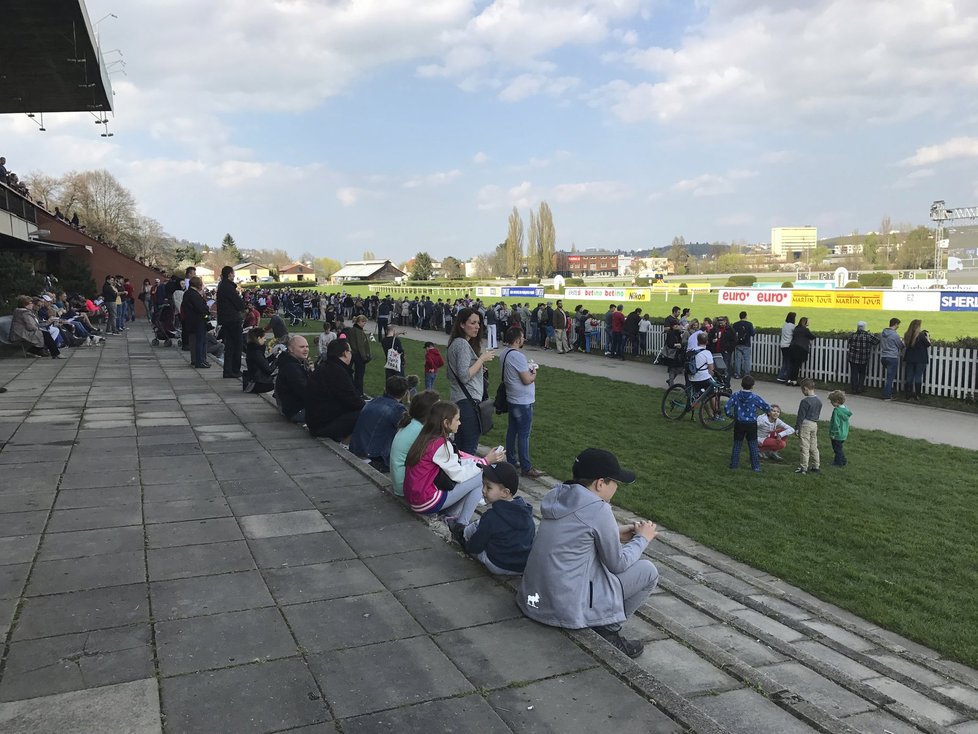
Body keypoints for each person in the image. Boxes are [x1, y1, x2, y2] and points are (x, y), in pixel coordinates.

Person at [518, 448, 659, 659]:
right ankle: (609, 631)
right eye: (615, 482)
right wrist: (642, 538)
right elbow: (617, 564)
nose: (616, 488)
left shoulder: (559, 495)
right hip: (562, 608)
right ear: (600, 483)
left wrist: (615, 533)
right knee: (648, 571)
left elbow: (577, 536)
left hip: (534, 599)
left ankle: (602, 622)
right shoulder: (599, 509)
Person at [403, 401, 505, 523]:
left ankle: (450, 514)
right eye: (457, 419)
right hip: (425, 501)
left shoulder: (427, 437)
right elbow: (459, 476)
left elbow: (454, 466)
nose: (460, 423)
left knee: (476, 472)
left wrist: (481, 461)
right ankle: (462, 523)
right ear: (446, 423)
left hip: (414, 497)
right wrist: (485, 461)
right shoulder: (441, 444)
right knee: (481, 475)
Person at [452, 462, 535, 576]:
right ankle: (463, 530)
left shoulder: (492, 517)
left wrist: (467, 546)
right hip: (520, 567)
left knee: (478, 526)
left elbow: (476, 546)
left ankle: (462, 533)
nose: (483, 490)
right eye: (483, 485)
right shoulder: (526, 514)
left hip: (497, 564)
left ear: (505, 493)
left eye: (488, 487)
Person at [446, 308, 495, 454]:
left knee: (460, 447)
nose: (477, 326)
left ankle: (456, 475)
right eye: (472, 323)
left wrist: (479, 368)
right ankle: (465, 476)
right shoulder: (461, 344)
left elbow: (452, 375)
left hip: (460, 400)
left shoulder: (456, 343)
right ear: (462, 324)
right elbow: (464, 376)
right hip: (467, 402)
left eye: (478, 323)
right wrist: (481, 360)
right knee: (468, 449)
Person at [499, 327, 544, 478]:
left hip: (512, 398)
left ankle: (511, 460)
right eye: (522, 337)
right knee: (524, 434)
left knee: (512, 430)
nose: (523, 340)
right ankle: (526, 467)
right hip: (522, 400)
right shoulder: (517, 356)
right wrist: (534, 374)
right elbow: (526, 380)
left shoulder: (504, 353)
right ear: (518, 339)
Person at [306, 339, 365, 441]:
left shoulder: (325, 367)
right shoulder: (338, 372)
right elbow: (353, 400)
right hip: (323, 426)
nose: (351, 354)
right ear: (345, 353)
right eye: (350, 352)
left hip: (316, 421)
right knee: (366, 413)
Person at [349, 376, 409, 470]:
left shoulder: (373, 401)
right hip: (375, 456)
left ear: (385, 389)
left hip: (356, 448)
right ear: (405, 393)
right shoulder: (398, 409)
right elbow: (408, 433)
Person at [389, 390, 441, 497]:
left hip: (400, 483)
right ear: (430, 413)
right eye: (439, 409)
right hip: (407, 486)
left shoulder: (412, 424)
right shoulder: (420, 431)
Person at [724, 375, 770, 472]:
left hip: (739, 423)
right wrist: (767, 413)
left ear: (741, 384)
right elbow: (765, 407)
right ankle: (756, 467)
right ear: (752, 386)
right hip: (751, 424)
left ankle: (734, 465)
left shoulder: (735, 396)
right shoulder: (754, 397)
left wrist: (731, 415)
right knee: (753, 445)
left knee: (737, 444)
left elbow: (726, 407)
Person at [217, 265, 245, 379]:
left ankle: (228, 370)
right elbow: (239, 304)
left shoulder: (222, 286)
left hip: (226, 319)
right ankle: (235, 369)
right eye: (233, 274)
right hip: (233, 319)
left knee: (229, 346)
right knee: (236, 345)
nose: (234, 276)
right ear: (229, 274)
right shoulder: (228, 287)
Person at [275, 335, 310, 423]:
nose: (306, 349)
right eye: (302, 347)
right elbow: (306, 392)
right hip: (297, 411)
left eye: (307, 346)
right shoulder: (292, 368)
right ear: (290, 349)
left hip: (293, 408)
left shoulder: (291, 363)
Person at [181, 276, 211, 369]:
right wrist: (207, 310)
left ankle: (200, 360)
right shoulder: (194, 295)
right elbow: (201, 307)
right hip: (198, 321)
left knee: (198, 341)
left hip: (191, 320)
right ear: (198, 284)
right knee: (200, 341)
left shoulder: (188, 293)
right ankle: (199, 361)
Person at [794, 378, 822, 475]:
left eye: (802, 390)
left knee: (804, 446)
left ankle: (803, 467)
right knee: (814, 446)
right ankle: (816, 465)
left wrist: (797, 427)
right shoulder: (819, 401)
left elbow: (801, 415)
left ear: (805, 388)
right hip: (814, 424)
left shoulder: (805, 401)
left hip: (806, 424)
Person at [846, 321, 880, 395]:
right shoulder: (868, 336)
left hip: (853, 358)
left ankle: (854, 388)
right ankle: (860, 388)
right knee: (862, 373)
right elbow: (877, 341)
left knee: (854, 373)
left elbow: (849, 342)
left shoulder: (853, 335)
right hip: (863, 358)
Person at [903, 319, 930, 400]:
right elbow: (928, 344)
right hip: (920, 359)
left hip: (910, 358)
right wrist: (928, 337)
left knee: (909, 376)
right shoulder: (921, 335)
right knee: (918, 376)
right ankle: (918, 395)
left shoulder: (907, 334)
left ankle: (908, 394)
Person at [347, 314, 372, 397]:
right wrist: (364, 357)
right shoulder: (358, 331)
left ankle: (354, 390)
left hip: (353, 354)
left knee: (355, 375)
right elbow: (360, 345)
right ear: (359, 322)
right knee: (359, 375)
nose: (364, 324)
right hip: (359, 355)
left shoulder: (352, 329)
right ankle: (359, 393)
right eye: (364, 322)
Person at [879, 317, 903, 401]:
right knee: (890, 377)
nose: (898, 327)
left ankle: (889, 391)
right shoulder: (895, 335)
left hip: (884, 356)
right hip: (892, 357)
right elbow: (900, 346)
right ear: (895, 324)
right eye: (898, 325)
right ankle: (887, 395)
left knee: (888, 376)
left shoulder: (882, 333)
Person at [244, 328, 275, 394]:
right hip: (259, 384)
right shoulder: (256, 352)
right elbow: (268, 370)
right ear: (259, 338)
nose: (265, 340)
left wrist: (274, 356)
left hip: (256, 381)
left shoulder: (252, 349)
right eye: (264, 338)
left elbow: (263, 362)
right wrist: (278, 360)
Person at [786, 316, 815, 386]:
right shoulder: (805, 330)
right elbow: (812, 336)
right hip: (800, 348)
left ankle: (789, 380)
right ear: (805, 322)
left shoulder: (796, 328)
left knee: (792, 364)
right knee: (796, 365)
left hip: (792, 347)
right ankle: (794, 381)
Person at [828, 390, 852, 467]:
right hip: (844, 433)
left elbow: (835, 423)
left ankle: (839, 462)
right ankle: (842, 460)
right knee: (839, 448)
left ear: (837, 401)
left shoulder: (836, 411)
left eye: (832, 401)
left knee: (837, 449)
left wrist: (833, 434)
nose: (830, 403)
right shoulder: (846, 410)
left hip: (837, 434)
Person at [731, 310, 755, 379]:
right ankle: (746, 374)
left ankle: (737, 374)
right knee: (746, 360)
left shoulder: (735, 324)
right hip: (746, 344)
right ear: (746, 316)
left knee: (738, 360)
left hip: (738, 344)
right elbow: (752, 334)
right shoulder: (749, 324)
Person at [776, 312, 796, 383]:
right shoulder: (792, 326)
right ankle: (785, 377)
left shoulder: (784, 325)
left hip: (783, 345)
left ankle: (781, 376)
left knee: (785, 361)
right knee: (789, 362)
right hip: (788, 345)